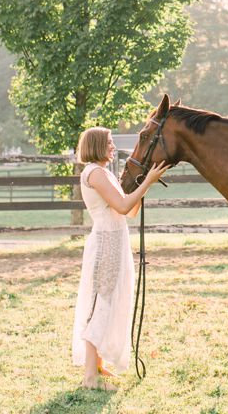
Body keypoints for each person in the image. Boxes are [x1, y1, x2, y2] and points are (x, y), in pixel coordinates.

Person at [71, 126, 168, 390]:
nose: (113, 147)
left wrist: (143, 183)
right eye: (110, 143)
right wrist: (147, 181)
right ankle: (90, 378)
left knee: (109, 301)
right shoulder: (96, 173)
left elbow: (129, 210)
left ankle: (99, 367)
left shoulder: (105, 174)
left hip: (116, 241)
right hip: (106, 245)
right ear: (97, 146)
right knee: (100, 304)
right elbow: (124, 205)